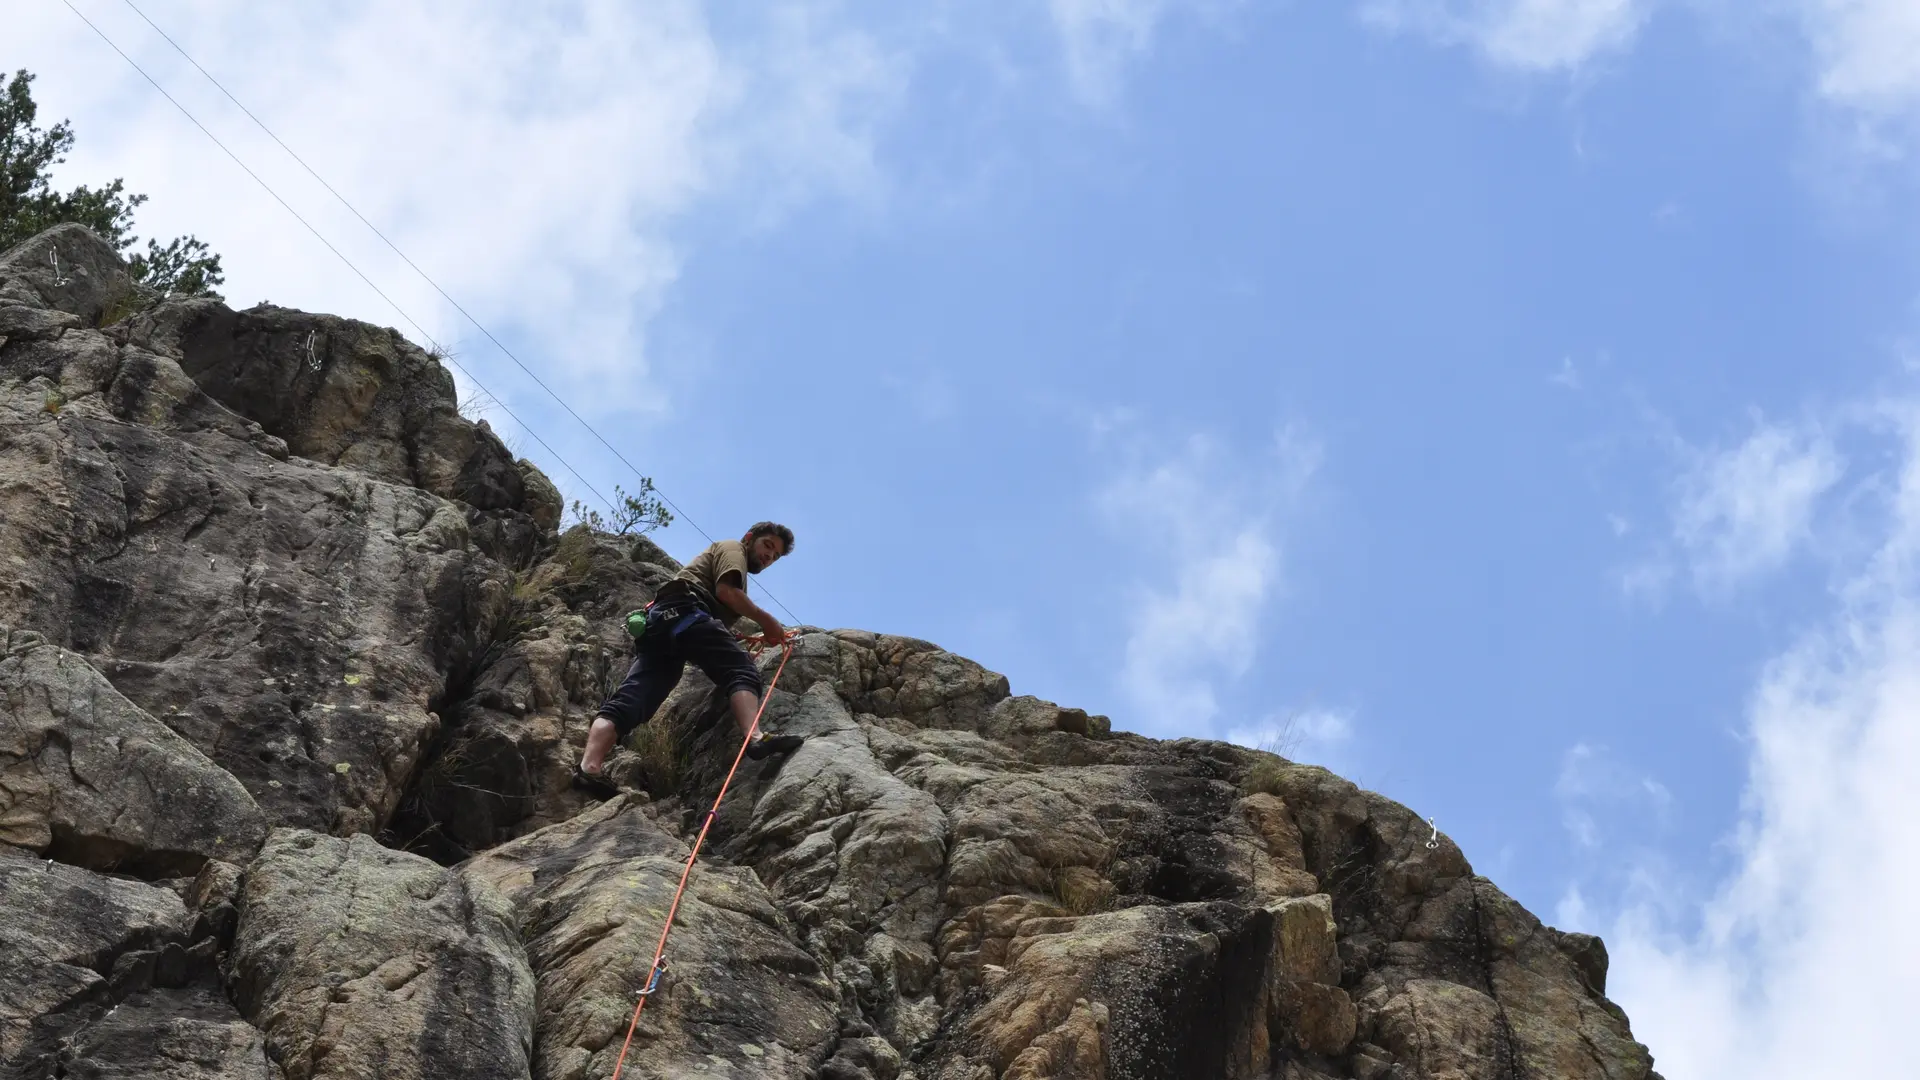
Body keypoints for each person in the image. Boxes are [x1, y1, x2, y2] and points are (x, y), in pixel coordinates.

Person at [574, 521, 804, 797]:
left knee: (633, 699)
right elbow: (726, 592)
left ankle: (589, 768)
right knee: (741, 670)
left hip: (660, 624)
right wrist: (768, 622)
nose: (769, 557)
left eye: (775, 556)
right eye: (767, 546)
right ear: (749, 537)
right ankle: (755, 737)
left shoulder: (724, 558)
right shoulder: (733, 549)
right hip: (686, 611)